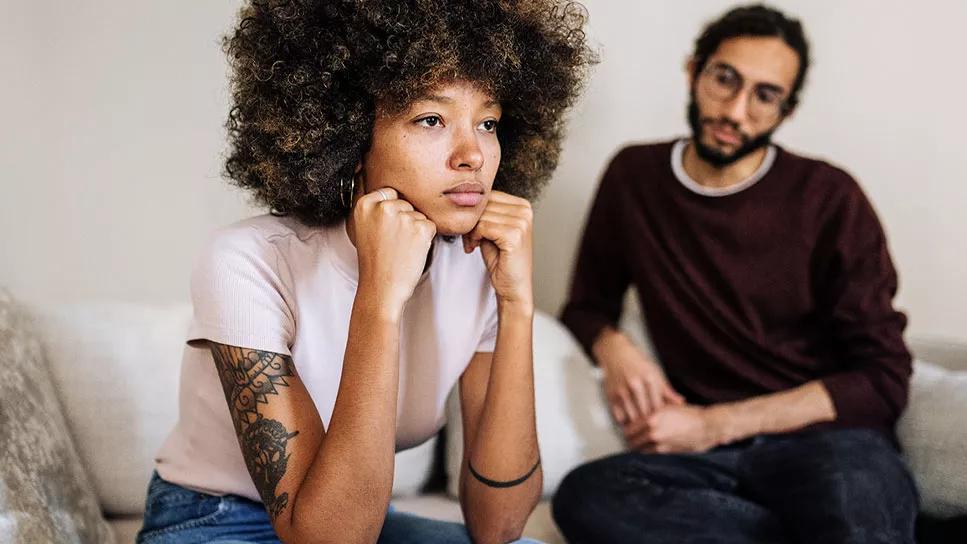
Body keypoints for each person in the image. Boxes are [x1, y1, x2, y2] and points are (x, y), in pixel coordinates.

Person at [136, 1, 593, 543]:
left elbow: (498, 528)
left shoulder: (475, 263)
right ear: (350, 137)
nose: (472, 154)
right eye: (432, 119)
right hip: (216, 521)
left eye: (488, 122)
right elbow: (327, 540)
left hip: (355, 515)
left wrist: (516, 304)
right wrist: (379, 298)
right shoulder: (248, 261)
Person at [553, 4, 917, 543]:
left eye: (764, 96)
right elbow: (586, 306)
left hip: (830, 445)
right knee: (588, 496)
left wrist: (710, 425)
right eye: (725, 79)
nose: (736, 112)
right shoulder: (634, 177)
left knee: (852, 510)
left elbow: (883, 380)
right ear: (693, 70)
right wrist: (615, 348)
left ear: (785, 112)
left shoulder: (830, 198)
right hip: (711, 464)